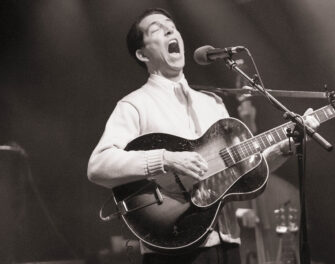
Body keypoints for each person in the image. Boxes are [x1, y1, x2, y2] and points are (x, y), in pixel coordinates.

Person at [87, 8, 319, 264]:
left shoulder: (213, 102)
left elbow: (242, 173)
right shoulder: (135, 104)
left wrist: (283, 148)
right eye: (156, 29)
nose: (169, 30)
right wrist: (166, 159)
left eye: (172, 26)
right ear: (142, 53)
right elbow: (98, 166)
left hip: (227, 245)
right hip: (173, 246)